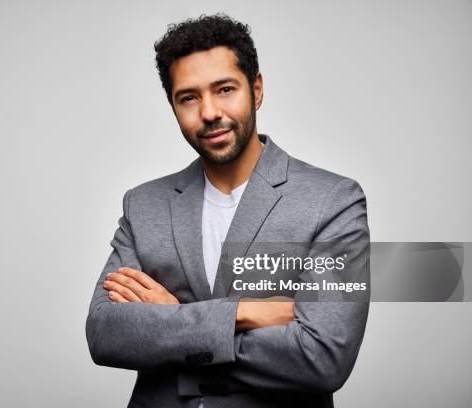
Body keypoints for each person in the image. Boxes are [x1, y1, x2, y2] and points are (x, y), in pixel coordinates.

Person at [85, 14, 370, 408]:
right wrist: (244, 312)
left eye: (224, 89)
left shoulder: (333, 201)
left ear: (256, 90)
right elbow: (105, 333)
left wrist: (173, 319)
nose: (209, 112)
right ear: (172, 106)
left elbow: (324, 358)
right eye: (189, 97)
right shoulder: (144, 204)